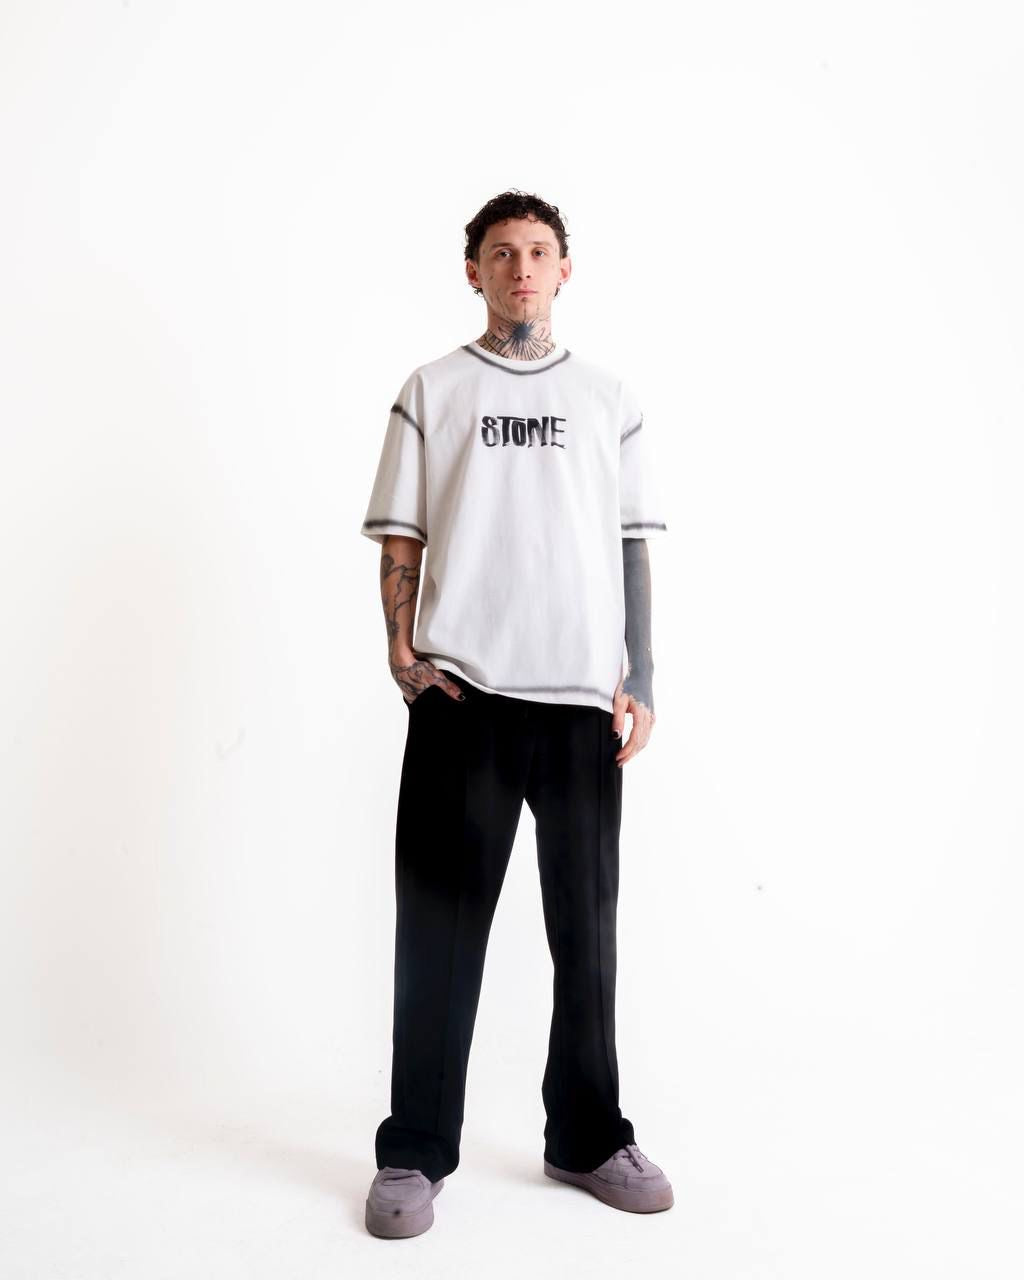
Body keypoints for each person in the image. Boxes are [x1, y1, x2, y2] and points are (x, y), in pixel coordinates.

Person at [360, 190, 672, 1238]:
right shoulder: (432, 389)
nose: (521, 268)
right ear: (474, 271)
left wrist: (641, 676)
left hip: (579, 703)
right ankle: (414, 1149)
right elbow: (401, 534)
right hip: (465, 698)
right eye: (501, 253)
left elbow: (630, 540)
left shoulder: (607, 397)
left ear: (565, 268)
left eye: (539, 251)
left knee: (587, 935)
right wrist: (401, 649)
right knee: (437, 937)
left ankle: (585, 1134)